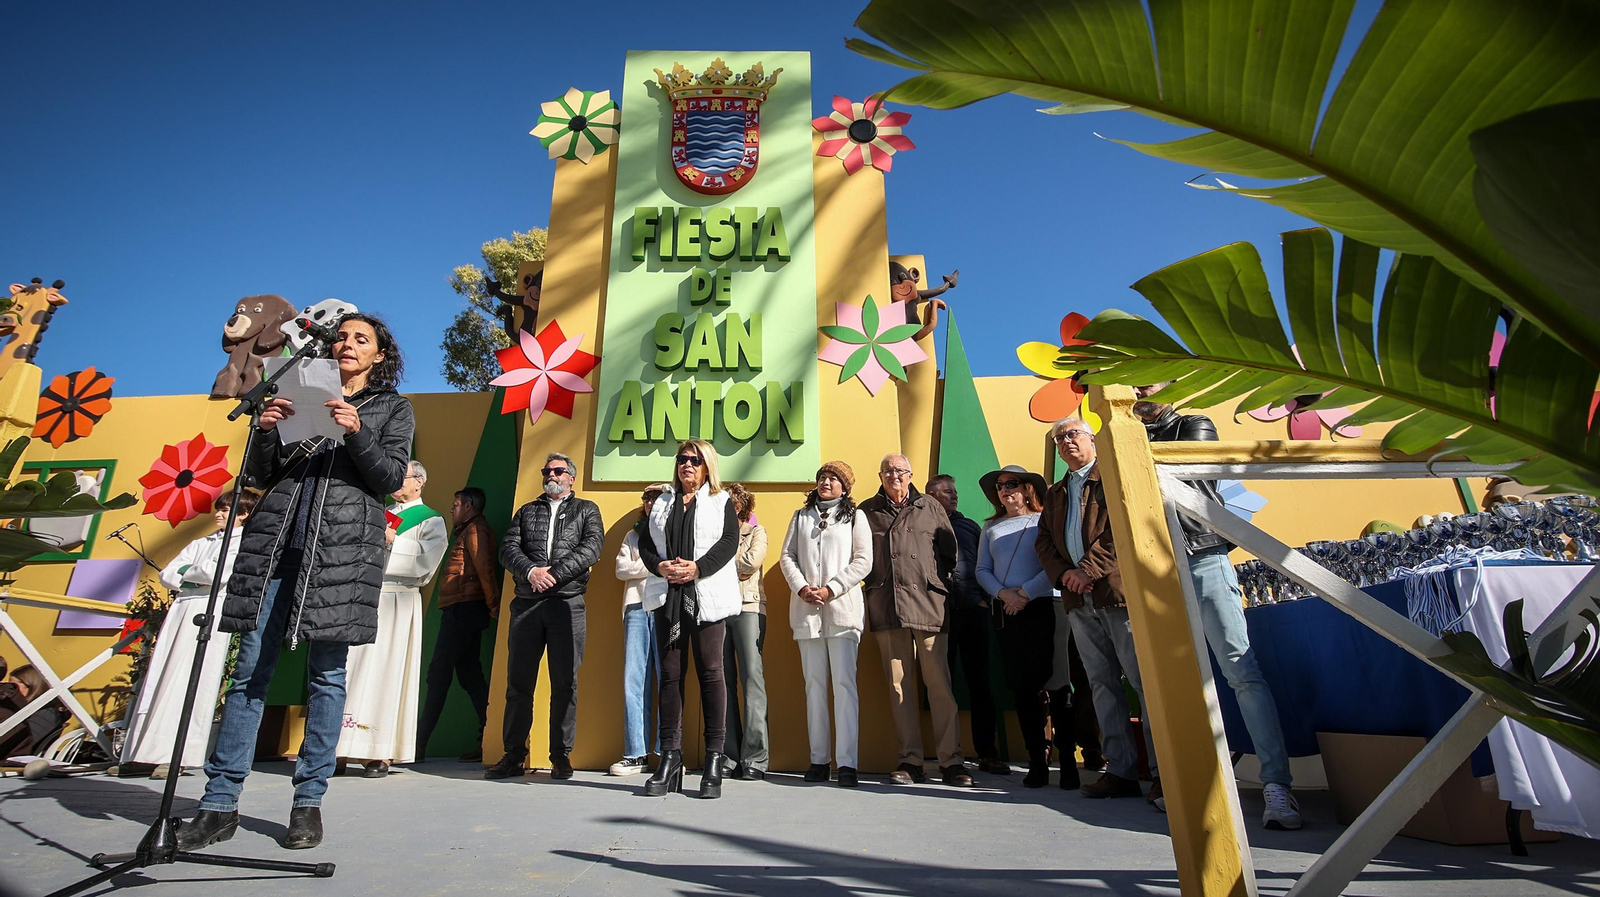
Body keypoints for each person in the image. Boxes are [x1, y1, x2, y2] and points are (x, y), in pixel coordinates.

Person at [178, 312, 414, 852]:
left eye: (362, 339)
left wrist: (356, 432)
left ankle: (308, 802)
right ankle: (218, 806)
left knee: (326, 679)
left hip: (339, 555)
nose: (348, 343)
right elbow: (261, 476)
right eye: (343, 337)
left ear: (379, 356)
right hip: (277, 548)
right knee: (248, 675)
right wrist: (264, 432)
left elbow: (388, 479)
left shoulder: (392, 408)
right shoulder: (296, 389)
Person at [1135, 383, 1302, 829]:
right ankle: (1199, 782)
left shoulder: (1192, 424)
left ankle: (1277, 786)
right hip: (1152, 566)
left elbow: (1183, 474)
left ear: (1167, 387)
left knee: (1239, 669)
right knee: (1179, 682)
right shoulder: (1126, 434)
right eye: (1132, 384)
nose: (1139, 390)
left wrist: (1127, 437)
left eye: (1147, 382)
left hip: (1202, 555)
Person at [1035, 416, 1158, 804]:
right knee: (1101, 685)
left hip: (1115, 595)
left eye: (1073, 434)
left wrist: (1086, 571)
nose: (1066, 442)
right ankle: (1120, 770)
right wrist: (1067, 576)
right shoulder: (1056, 494)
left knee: (1142, 683)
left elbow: (1123, 528)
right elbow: (1044, 543)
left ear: (1091, 439)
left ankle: (1161, 772)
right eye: (1060, 438)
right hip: (1078, 601)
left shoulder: (1113, 479)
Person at [121, 492, 257, 776]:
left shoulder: (245, 544)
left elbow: (217, 574)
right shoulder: (201, 542)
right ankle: (141, 752)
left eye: (226, 510)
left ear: (243, 514)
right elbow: (167, 575)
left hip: (211, 609)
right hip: (181, 609)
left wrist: (186, 573)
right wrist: (189, 573)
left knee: (193, 679)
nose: (218, 515)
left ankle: (177, 755)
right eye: (218, 510)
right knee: (159, 676)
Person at [488, 452, 605, 780]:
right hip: (527, 605)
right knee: (519, 683)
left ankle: (560, 756)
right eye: (547, 470)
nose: (550, 474)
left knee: (565, 683)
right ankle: (513, 755)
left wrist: (553, 574)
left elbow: (592, 547)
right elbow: (508, 549)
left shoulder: (586, 510)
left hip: (567, 605)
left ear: (571, 477)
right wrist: (531, 572)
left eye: (558, 470)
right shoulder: (527, 511)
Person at [859, 454, 971, 787]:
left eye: (900, 471)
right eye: (888, 471)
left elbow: (949, 552)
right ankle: (910, 760)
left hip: (928, 604)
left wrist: (935, 583)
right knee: (899, 688)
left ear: (910, 476)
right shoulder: (867, 511)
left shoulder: (931, 507)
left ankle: (952, 761)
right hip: (887, 605)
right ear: (880, 475)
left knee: (939, 685)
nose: (894, 475)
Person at [639, 439, 741, 799]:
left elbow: (730, 542)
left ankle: (715, 757)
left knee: (712, 673)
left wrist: (697, 569)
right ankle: (670, 757)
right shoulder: (663, 502)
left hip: (705, 596)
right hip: (669, 598)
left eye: (695, 460)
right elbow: (646, 544)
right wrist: (660, 565)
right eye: (682, 459)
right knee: (669, 675)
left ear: (707, 466)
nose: (687, 465)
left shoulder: (721, 500)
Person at [337, 460, 448, 777]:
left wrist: (392, 541)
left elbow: (426, 562)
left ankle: (379, 752)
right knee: (350, 668)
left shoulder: (430, 520)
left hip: (398, 599)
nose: (397, 483)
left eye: (404, 478)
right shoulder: (377, 512)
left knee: (388, 670)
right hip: (364, 595)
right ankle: (339, 747)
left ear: (420, 482)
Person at [779, 461, 872, 787]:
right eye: (822, 477)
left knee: (845, 688)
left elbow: (863, 560)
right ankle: (819, 760)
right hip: (807, 615)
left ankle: (847, 763)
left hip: (843, 613)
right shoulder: (801, 517)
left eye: (833, 478)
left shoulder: (855, 517)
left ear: (845, 487)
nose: (826, 482)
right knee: (814, 687)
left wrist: (832, 588)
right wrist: (802, 587)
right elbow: (787, 556)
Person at [975, 465, 1061, 788]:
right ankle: (1036, 762)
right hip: (1008, 613)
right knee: (1023, 689)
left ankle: (1066, 761)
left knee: (1055, 685)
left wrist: (1025, 593)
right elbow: (983, 569)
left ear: (1027, 489)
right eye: (1000, 486)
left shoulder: (1044, 520)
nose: (1005, 490)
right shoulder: (991, 527)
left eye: (1012, 483)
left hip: (1043, 607)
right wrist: (1004, 594)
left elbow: (1054, 564)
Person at [925, 473, 1006, 776]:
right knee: (941, 686)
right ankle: (948, 754)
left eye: (954, 491)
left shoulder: (970, 526)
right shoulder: (920, 525)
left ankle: (988, 753)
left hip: (973, 610)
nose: (953, 496)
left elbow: (986, 564)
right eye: (946, 491)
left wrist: (983, 597)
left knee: (980, 684)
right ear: (931, 495)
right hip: (938, 615)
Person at [417, 486, 499, 762]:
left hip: (464, 610)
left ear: (469, 506)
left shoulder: (475, 531)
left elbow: (485, 568)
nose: (452, 509)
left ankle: (417, 744)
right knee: (469, 675)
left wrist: (492, 603)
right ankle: (487, 738)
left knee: (438, 674)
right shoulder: (469, 530)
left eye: (456, 504)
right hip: (464, 608)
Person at [608, 483, 669, 776]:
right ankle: (635, 753)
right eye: (646, 498)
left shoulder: (675, 535)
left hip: (666, 608)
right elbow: (621, 569)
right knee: (634, 679)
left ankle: (667, 748)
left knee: (669, 677)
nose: (650, 502)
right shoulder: (633, 534)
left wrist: (645, 564)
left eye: (657, 497)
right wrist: (656, 565)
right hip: (635, 607)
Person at [721, 482, 769, 781]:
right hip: (716, 609)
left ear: (739, 506)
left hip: (748, 607)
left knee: (752, 678)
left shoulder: (756, 532)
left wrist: (718, 565)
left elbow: (751, 563)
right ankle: (727, 755)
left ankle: (756, 758)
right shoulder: (712, 534)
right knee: (721, 681)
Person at [6, 664, 69, 756]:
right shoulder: (36, 711)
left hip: (19, 762)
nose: (10, 690)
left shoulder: (45, 714)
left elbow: (17, 743)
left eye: (14, 686)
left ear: (33, 687)